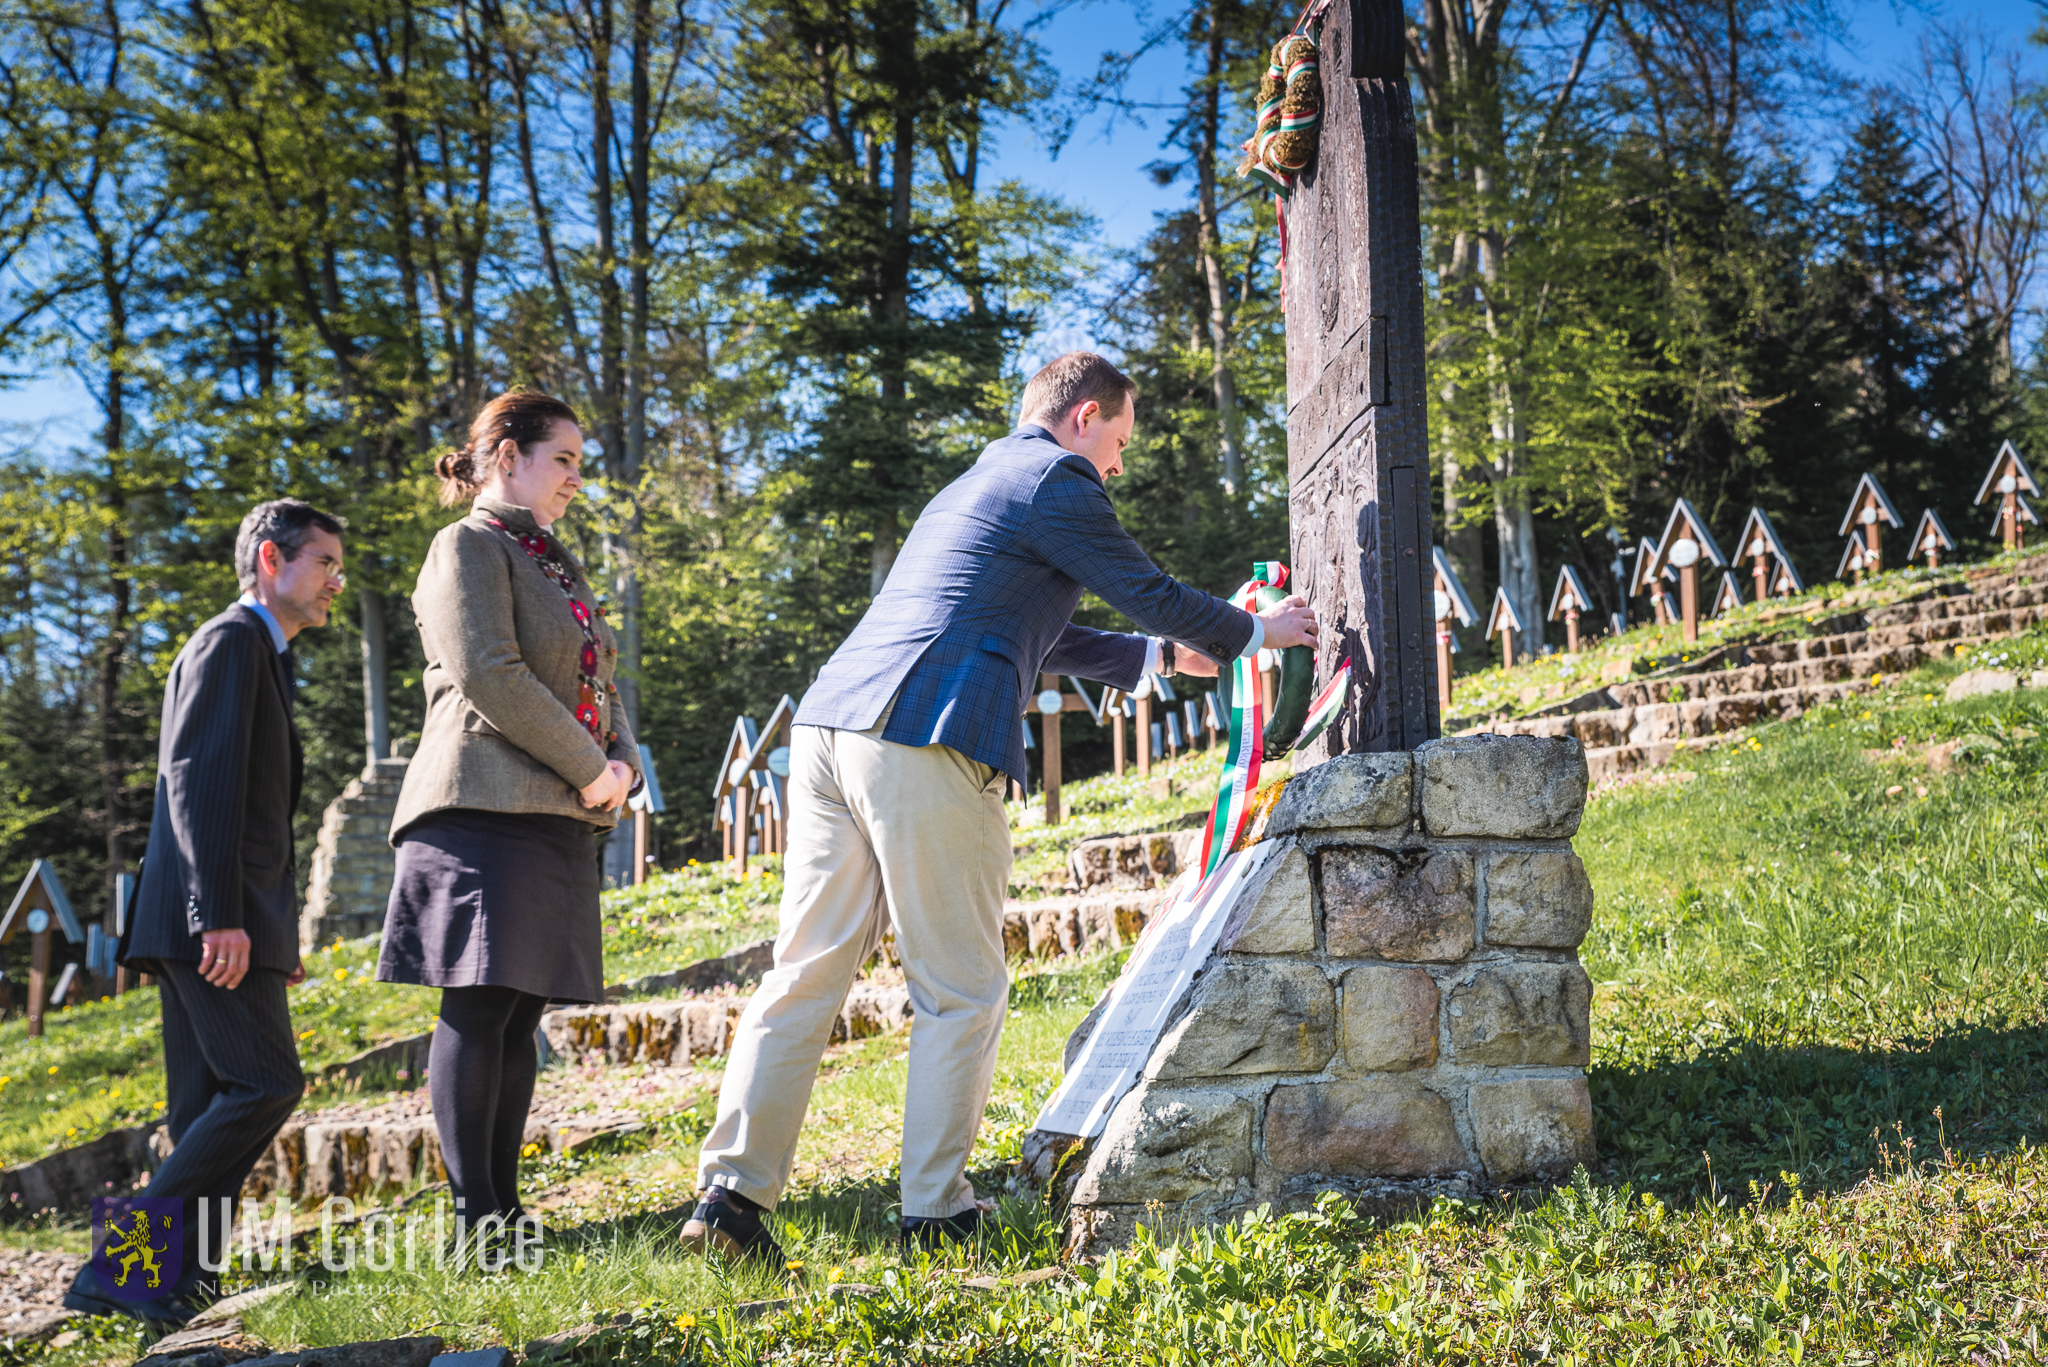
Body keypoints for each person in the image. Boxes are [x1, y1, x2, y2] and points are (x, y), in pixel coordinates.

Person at [684, 352, 1319, 1260]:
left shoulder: (978, 481)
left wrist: (1157, 660)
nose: (1119, 465)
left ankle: (730, 1202)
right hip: (925, 731)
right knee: (963, 988)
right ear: (1085, 415)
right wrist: (1256, 628)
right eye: (1121, 442)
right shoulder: (1058, 478)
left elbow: (1036, 626)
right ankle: (935, 1213)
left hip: (830, 730)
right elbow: (1142, 586)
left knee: (804, 974)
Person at [67, 499, 346, 1325]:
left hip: (219, 917)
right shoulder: (230, 642)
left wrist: (271, 929)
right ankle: (116, 1270)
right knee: (267, 1081)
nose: (337, 578)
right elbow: (198, 780)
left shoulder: (262, 654)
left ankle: (174, 1282)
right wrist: (219, 915)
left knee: (203, 1108)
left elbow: (256, 811)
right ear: (271, 558)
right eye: (324, 561)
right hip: (206, 920)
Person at [377, 390, 639, 1234]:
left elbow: (593, 673)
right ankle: (474, 1215)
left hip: (556, 808)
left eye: (577, 463)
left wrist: (624, 759)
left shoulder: (555, 560)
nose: (574, 478)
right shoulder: (465, 546)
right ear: (505, 456)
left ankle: (507, 1210)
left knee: (521, 1008)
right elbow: (491, 673)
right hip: (480, 805)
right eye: (561, 458)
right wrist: (590, 765)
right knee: (481, 1001)